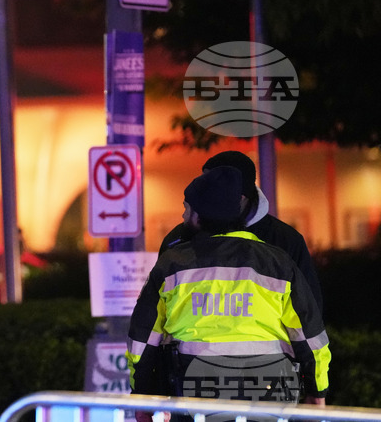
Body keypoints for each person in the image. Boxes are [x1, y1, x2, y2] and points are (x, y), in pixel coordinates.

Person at [128, 166, 330, 421]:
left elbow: (143, 340)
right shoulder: (278, 263)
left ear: (200, 216)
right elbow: (311, 338)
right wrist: (317, 392)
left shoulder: (172, 265)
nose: (182, 214)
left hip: (196, 393)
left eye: (187, 208)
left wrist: (142, 397)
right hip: (271, 394)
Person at [159, 150, 323, 312]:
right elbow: (159, 305)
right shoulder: (179, 239)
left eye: (212, 186)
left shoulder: (285, 241)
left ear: (240, 197)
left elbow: (307, 309)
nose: (203, 192)